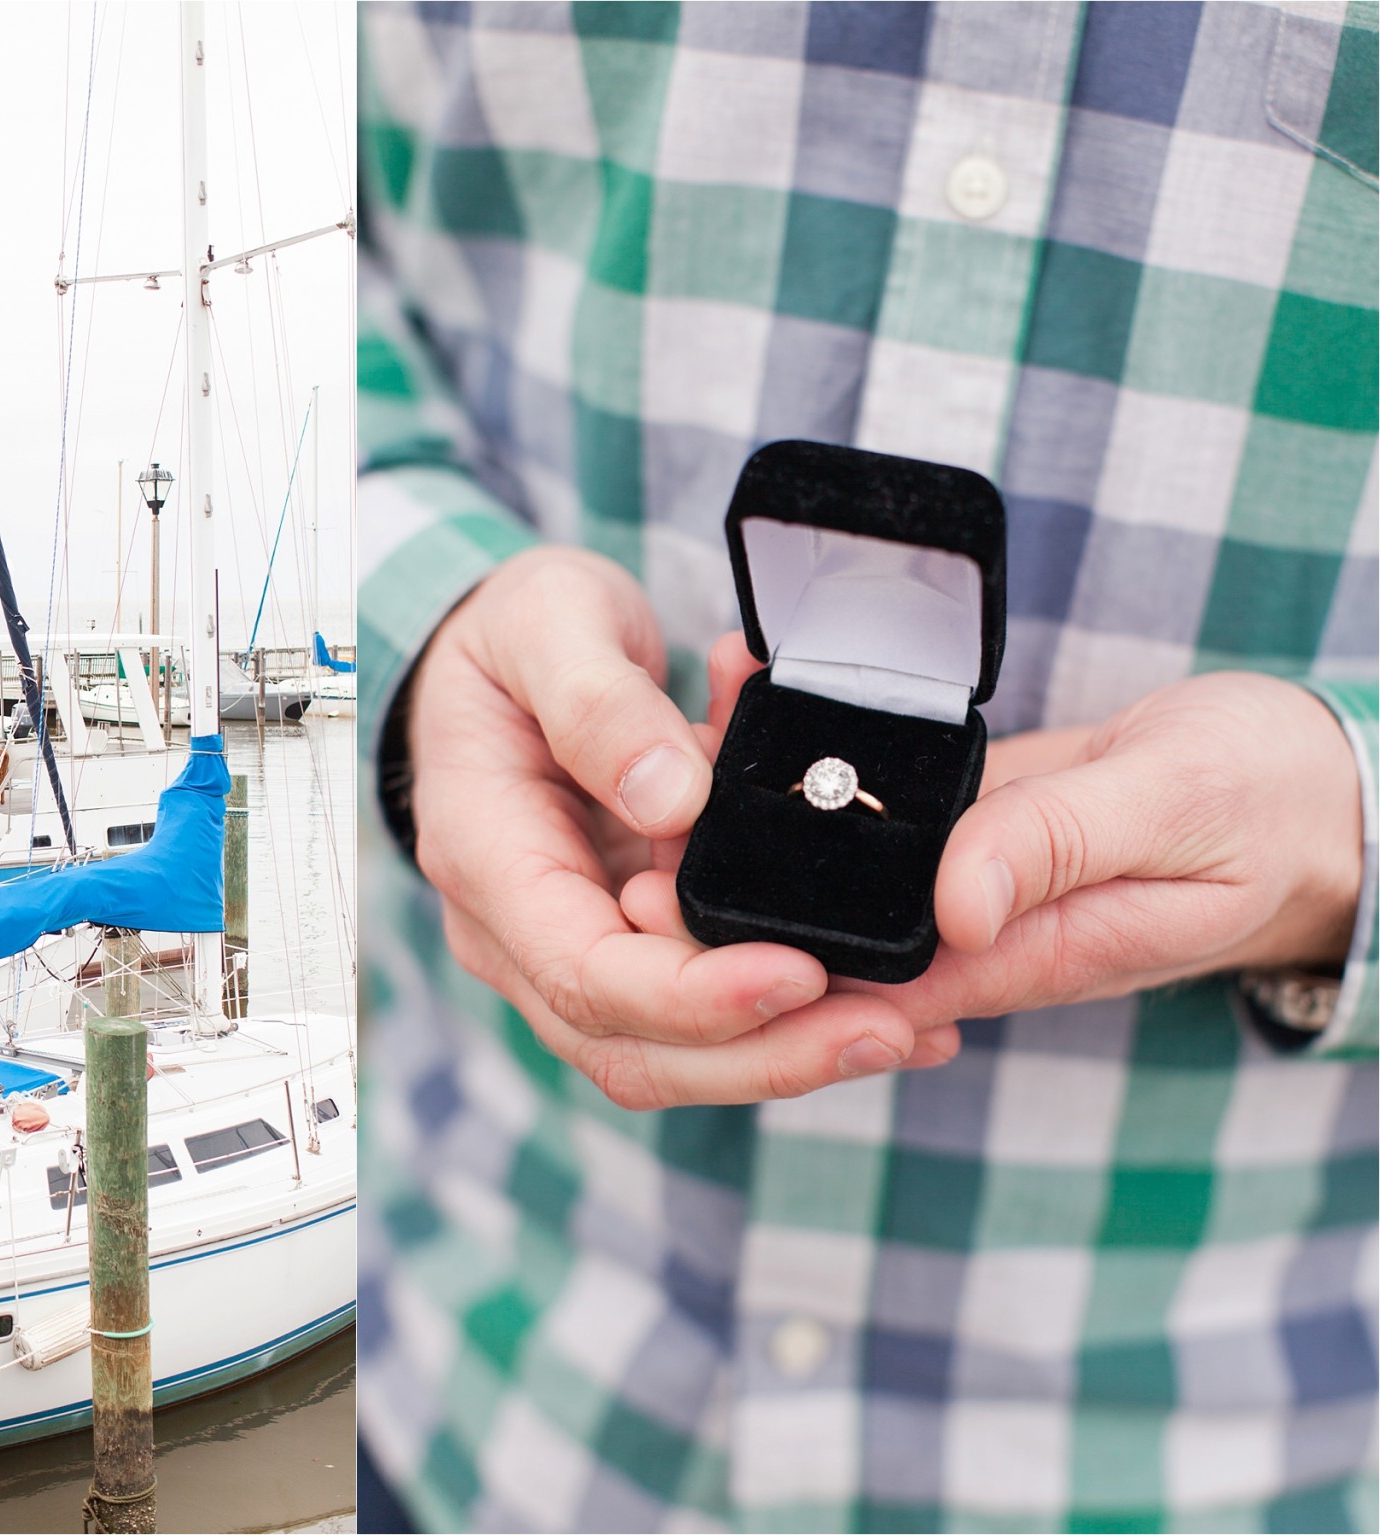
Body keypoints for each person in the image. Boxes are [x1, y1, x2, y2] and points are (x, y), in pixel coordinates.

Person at [353, 3, 1377, 1530]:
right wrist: (420, 626)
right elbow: (337, 257)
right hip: (490, 1371)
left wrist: (1344, 831)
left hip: (1215, 1444)